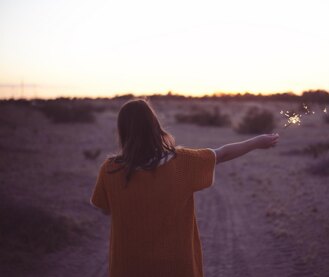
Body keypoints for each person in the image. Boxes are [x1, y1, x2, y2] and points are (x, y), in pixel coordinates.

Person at [90, 99, 279, 277]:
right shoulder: (181, 162)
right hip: (177, 266)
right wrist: (257, 142)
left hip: (129, 267)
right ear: (155, 126)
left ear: (123, 131)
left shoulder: (110, 169)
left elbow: (104, 209)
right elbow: (221, 154)